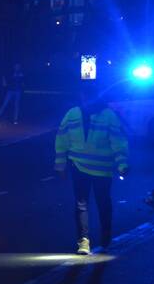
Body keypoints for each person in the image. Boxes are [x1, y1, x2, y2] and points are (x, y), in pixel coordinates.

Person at [54, 83, 129, 255]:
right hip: (85, 169)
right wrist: (61, 165)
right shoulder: (78, 114)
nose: (86, 99)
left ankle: (97, 239)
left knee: (91, 204)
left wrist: (122, 163)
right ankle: (91, 241)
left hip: (95, 170)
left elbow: (118, 142)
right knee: (89, 204)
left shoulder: (101, 115)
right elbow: (62, 140)